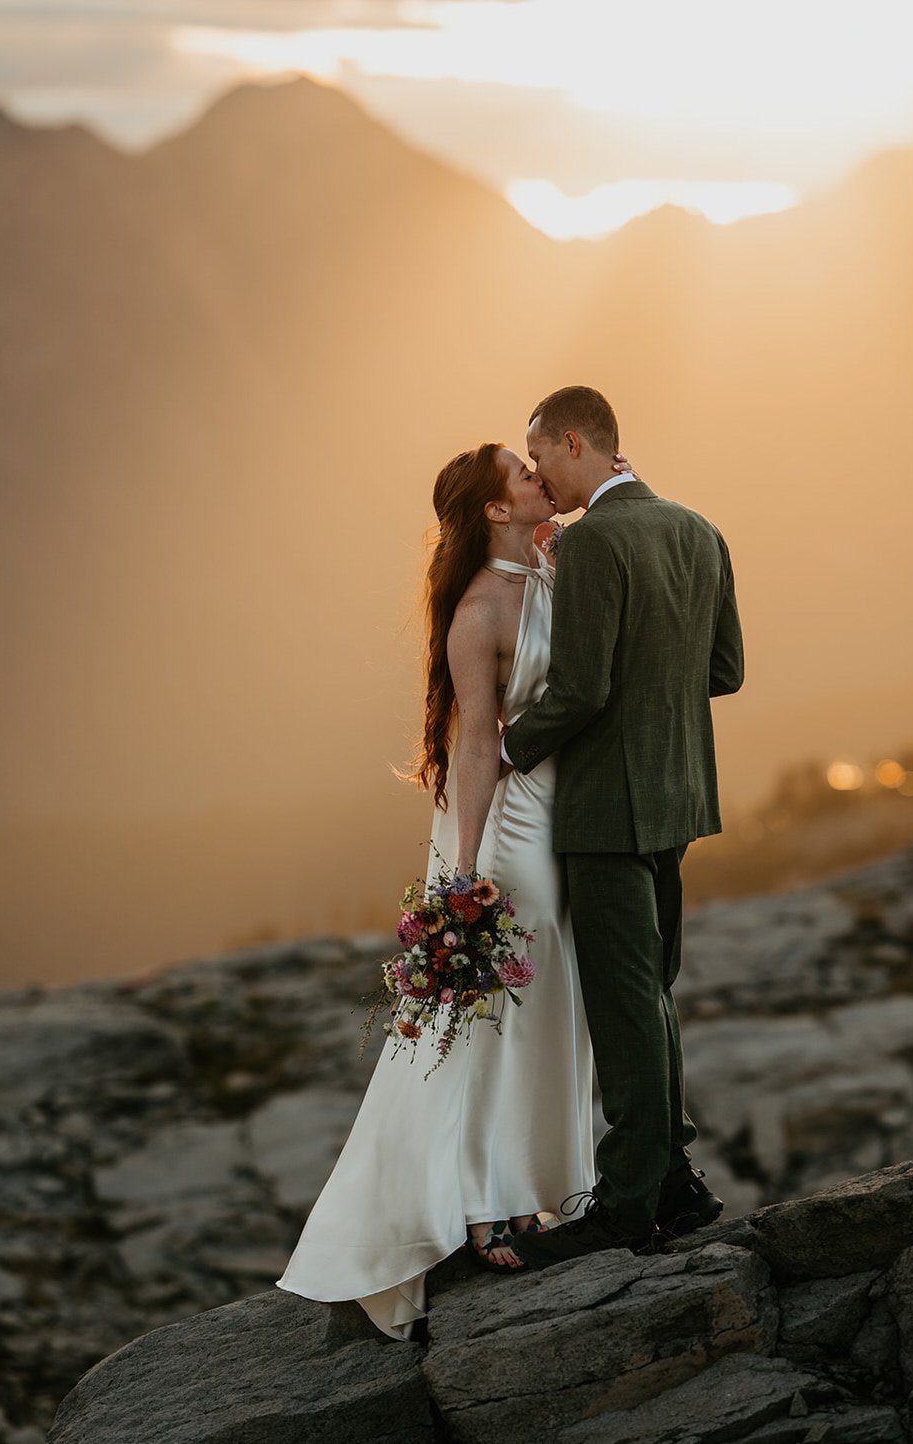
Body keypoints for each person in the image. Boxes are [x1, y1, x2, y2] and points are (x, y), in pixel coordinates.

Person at [277, 441, 603, 1339]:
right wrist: (463, 876)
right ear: (496, 510)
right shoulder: (478, 610)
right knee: (500, 1009)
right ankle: (481, 1198)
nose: (541, 480)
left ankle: (539, 1183)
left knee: (551, 997)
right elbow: (472, 744)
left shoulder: (551, 564)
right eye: (523, 476)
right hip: (511, 828)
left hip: (568, 805)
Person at [504, 385, 744, 1270]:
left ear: (578, 443)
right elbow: (726, 668)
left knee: (623, 1004)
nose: (540, 477)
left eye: (542, 458)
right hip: (681, 797)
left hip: (607, 806)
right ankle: (676, 1182)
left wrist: (504, 749)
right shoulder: (698, 529)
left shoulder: (596, 539)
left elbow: (580, 691)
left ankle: (629, 1201)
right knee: (655, 994)